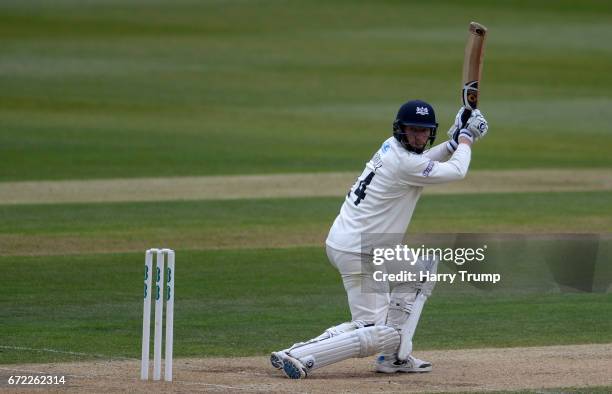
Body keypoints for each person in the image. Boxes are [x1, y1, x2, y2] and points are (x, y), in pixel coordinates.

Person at [270, 99, 488, 379]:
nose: (419, 136)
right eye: (413, 130)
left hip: (360, 241)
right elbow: (457, 170)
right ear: (401, 130)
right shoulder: (405, 163)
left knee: (420, 272)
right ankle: (299, 353)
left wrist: (452, 143)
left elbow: (422, 163)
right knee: (371, 327)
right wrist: (466, 139)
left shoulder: (392, 148)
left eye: (424, 131)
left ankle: (395, 358)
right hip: (361, 250)